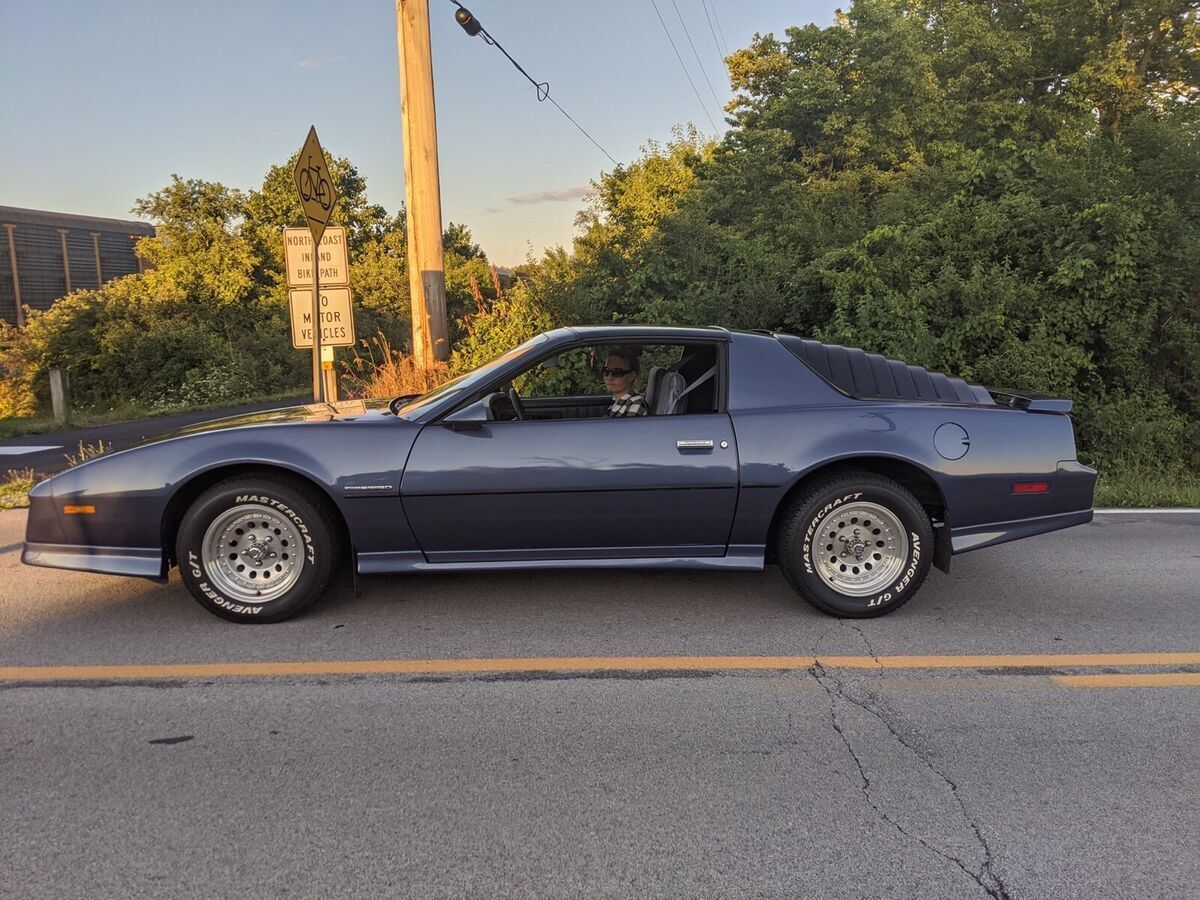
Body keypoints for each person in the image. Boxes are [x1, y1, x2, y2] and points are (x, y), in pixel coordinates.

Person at [602, 348, 649, 417]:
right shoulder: (616, 403)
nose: (609, 377)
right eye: (606, 371)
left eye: (617, 372)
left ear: (632, 376)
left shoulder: (635, 404)